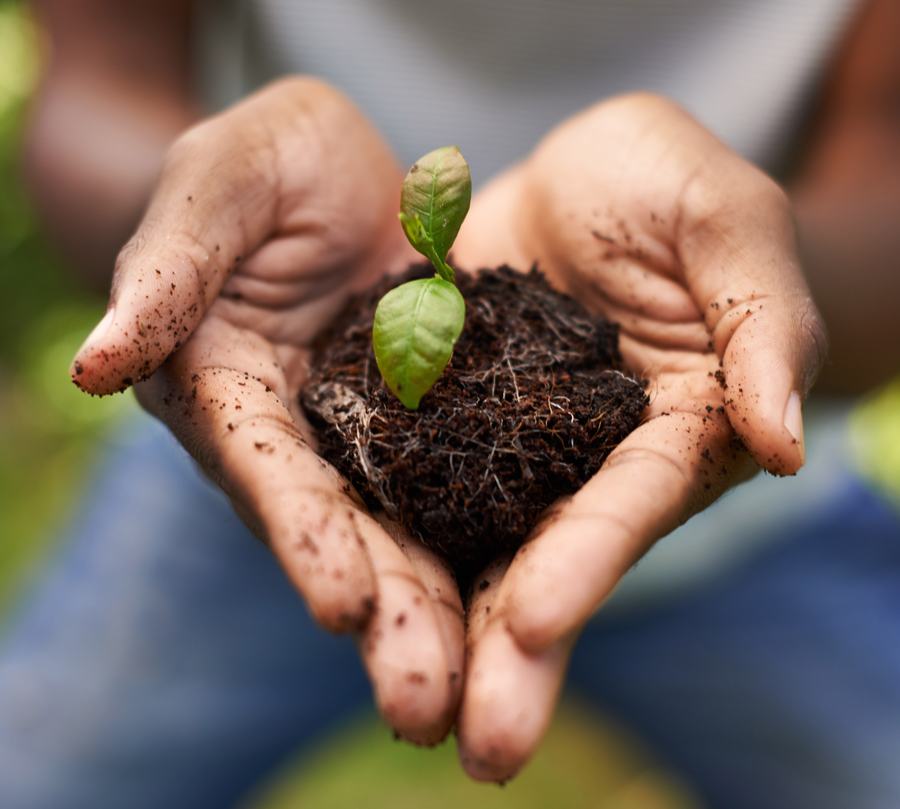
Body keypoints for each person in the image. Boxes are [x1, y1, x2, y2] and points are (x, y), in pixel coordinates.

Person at [2, 1, 899, 807]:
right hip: (252, 446)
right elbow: (96, 81)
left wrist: (758, 286)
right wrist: (185, 230)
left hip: (753, 515)